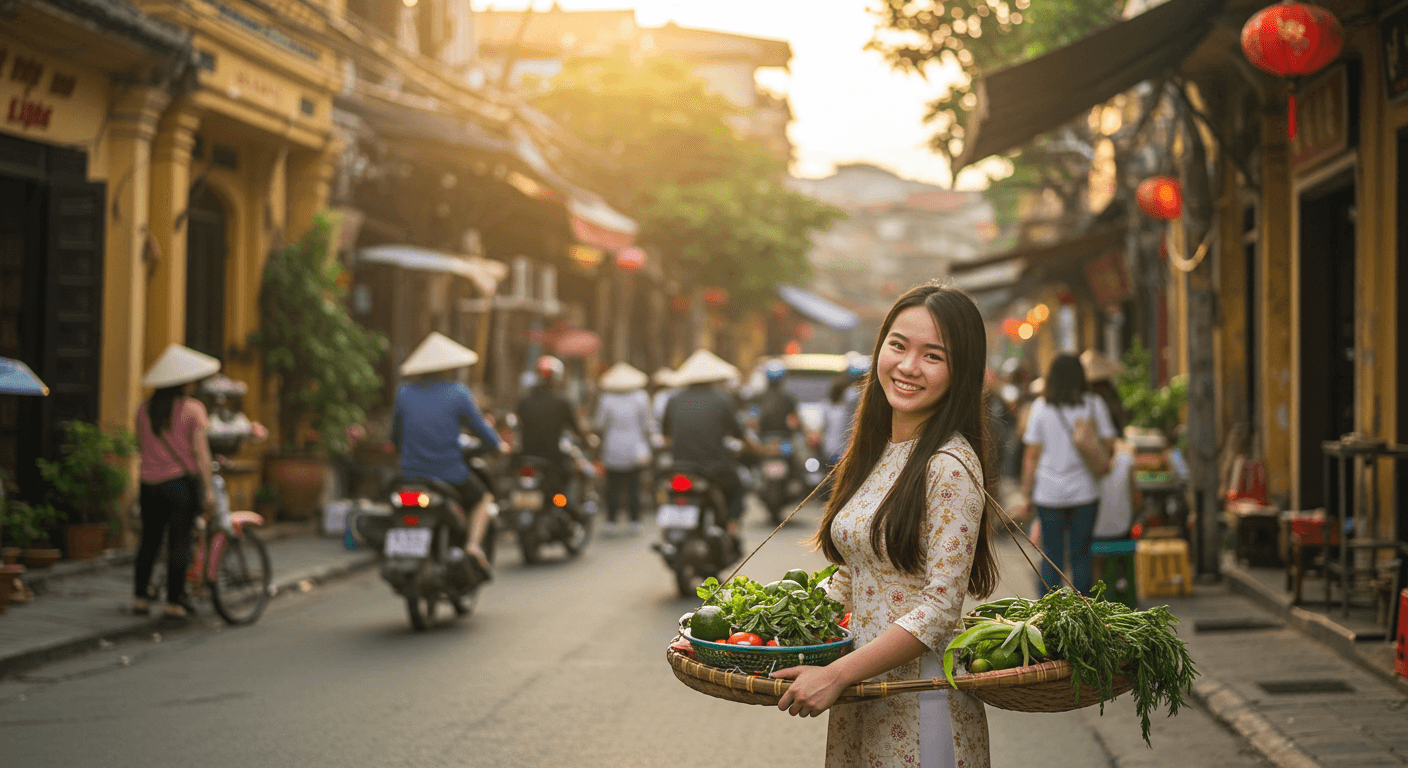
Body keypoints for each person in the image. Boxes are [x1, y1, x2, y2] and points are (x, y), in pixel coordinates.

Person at [769, 283, 1001, 767]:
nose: (908, 366)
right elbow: (855, 576)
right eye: (898, 345)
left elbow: (939, 610)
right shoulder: (879, 453)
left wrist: (839, 673)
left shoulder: (949, 466)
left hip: (921, 699)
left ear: (961, 373)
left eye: (933, 355)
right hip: (863, 697)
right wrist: (773, 629)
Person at [392, 332, 503, 572]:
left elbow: (395, 437)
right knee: (483, 498)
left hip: (411, 476)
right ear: (448, 368)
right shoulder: (458, 393)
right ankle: (473, 546)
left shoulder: (404, 393)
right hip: (449, 473)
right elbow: (485, 434)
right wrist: (494, 446)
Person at [133, 344, 221, 619]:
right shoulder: (193, 410)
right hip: (180, 485)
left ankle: (140, 598)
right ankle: (173, 601)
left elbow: (141, 446)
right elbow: (201, 454)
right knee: (179, 542)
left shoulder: (142, 410)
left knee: (149, 540)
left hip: (148, 485)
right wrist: (208, 489)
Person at [1019, 353, 1118, 595]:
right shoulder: (1094, 403)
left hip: (1048, 493)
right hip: (1085, 492)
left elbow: (1031, 454)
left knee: (1051, 555)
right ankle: (1083, 608)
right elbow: (1110, 446)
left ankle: (1050, 611)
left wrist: (1027, 492)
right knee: (1081, 554)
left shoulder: (1040, 407)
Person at [661, 349, 749, 534]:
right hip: (714, 467)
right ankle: (732, 524)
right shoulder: (722, 400)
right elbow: (738, 432)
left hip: (679, 467)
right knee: (738, 485)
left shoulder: (674, 400)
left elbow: (666, 435)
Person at [516, 355, 594, 495]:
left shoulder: (523, 402)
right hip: (554, 457)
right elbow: (577, 429)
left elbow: (517, 425)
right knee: (565, 488)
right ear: (557, 377)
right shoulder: (562, 403)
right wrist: (587, 442)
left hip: (525, 455)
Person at [594, 362, 655, 535]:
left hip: (612, 445)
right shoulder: (641, 397)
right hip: (634, 445)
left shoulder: (606, 399)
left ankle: (611, 520)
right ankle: (634, 519)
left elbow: (599, 423)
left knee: (613, 485)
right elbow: (648, 423)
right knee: (633, 484)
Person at [753, 360, 799, 436]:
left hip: (764, 439)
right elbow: (794, 423)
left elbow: (753, 421)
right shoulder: (789, 399)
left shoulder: (758, 398)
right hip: (784, 439)